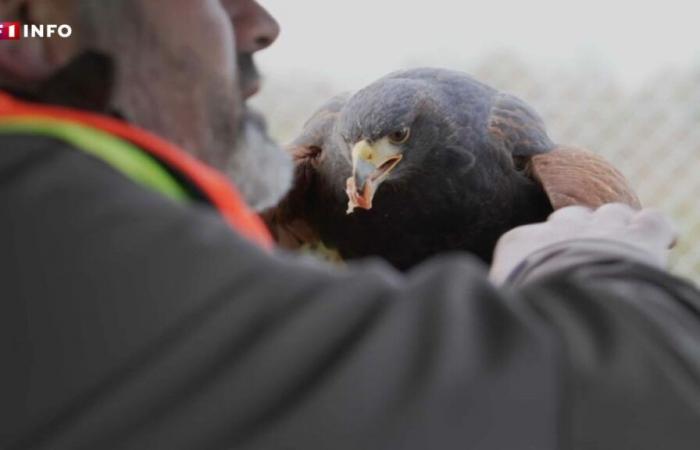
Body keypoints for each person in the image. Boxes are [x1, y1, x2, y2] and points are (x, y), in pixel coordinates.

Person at [0, 1, 698, 449]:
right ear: (31, 26)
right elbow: (641, 397)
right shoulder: (47, 239)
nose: (260, 22)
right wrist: (596, 264)